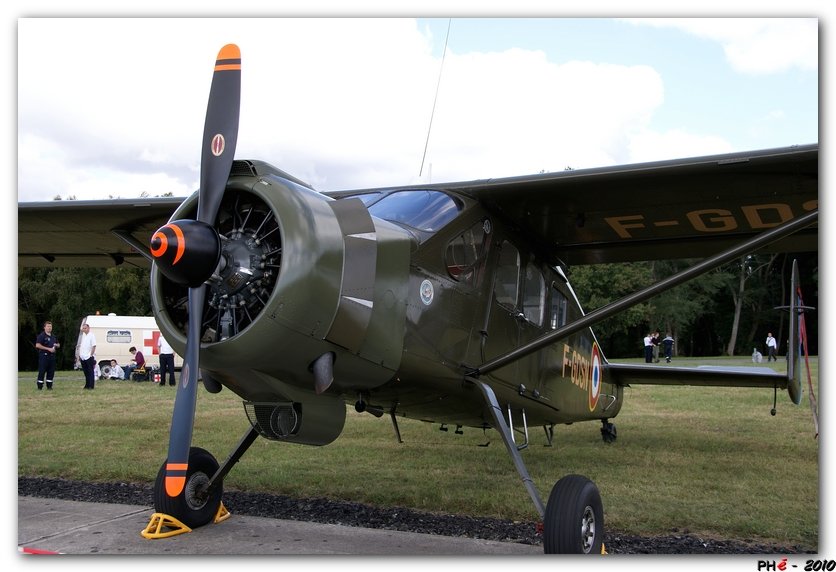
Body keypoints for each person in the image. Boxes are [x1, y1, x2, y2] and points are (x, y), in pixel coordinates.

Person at [34, 320, 60, 390]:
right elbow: (37, 345)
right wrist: (48, 349)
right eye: (48, 326)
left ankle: (49, 386)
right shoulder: (41, 336)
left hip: (52, 357)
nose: (49, 328)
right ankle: (40, 387)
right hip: (44, 356)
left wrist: (57, 345)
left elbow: (58, 344)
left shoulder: (53, 336)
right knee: (42, 371)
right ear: (44, 327)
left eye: (50, 326)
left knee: (51, 372)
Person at [76, 323, 97, 390]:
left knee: (90, 372)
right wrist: (79, 355)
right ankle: (87, 385)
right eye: (83, 328)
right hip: (83, 356)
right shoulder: (83, 336)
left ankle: (91, 385)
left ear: (88, 328)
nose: (84, 329)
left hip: (88, 356)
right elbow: (81, 346)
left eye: (85, 328)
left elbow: (94, 346)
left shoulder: (91, 335)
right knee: (86, 372)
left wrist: (91, 355)